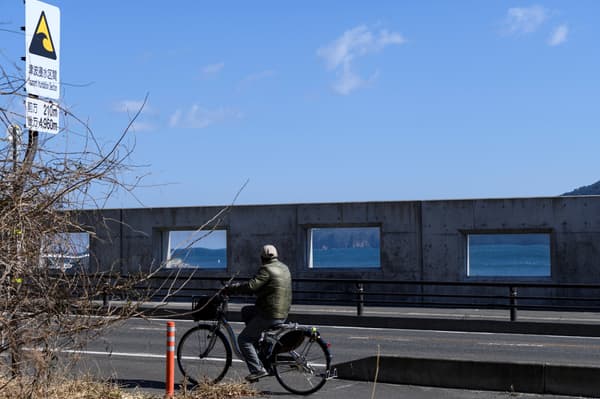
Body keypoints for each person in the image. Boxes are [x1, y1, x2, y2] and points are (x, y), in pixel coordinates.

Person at [225, 244, 292, 382]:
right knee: (247, 311)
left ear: (262, 258)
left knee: (243, 340)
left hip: (270, 313)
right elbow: (269, 287)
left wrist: (231, 288)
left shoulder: (266, 269)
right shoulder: (284, 268)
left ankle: (257, 370)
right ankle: (259, 341)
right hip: (283, 311)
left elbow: (251, 286)